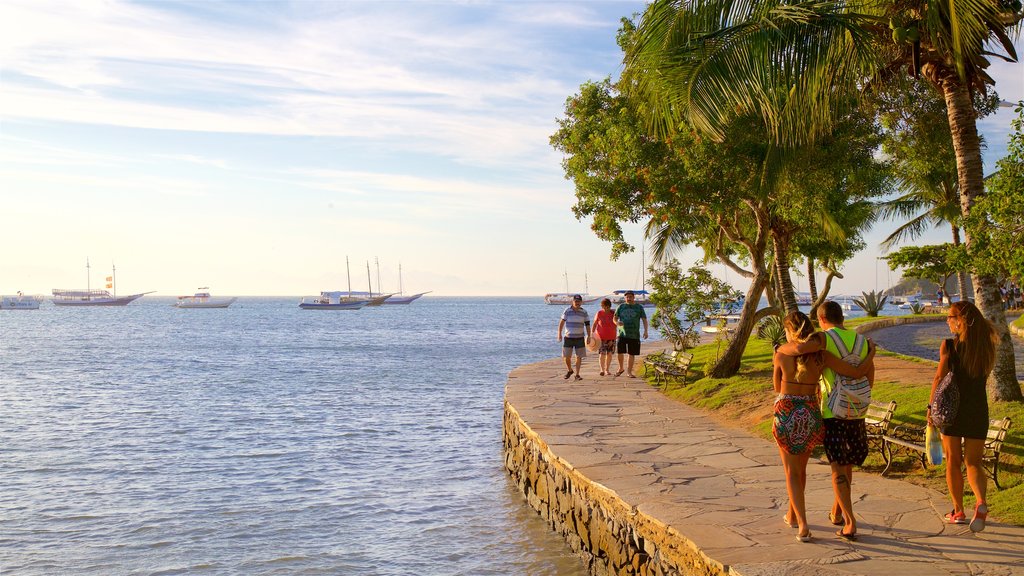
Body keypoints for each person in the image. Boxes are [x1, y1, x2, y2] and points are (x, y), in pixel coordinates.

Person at [777, 301, 876, 541]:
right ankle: (818, 513)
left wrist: (782, 348)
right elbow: (859, 374)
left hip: (807, 411)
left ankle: (813, 524)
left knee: (800, 471)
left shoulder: (796, 349)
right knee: (824, 466)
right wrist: (871, 353)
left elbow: (778, 384)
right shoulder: (840, 350)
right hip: (833, 411)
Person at [929, 301, 999, 532]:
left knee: (953, 461)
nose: (947, 321)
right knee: (974, 463)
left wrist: (931, 408)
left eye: (950, 317)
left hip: (952, 410)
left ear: (961, 319)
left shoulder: (949, 346)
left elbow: (939, 379)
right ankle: (981, 502)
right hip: (978, 409)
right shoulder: (986, 346)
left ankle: (958, 510)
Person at [613, 291, 648, 378]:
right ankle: (621, 368)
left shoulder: (639, 307)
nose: (628, 298)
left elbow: (644, 319)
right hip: (622, 334)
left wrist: (646, 331)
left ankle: (629, 372)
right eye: (627, 297)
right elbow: (614, 318)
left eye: (630, 297)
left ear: (633, 297)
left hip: (634, 334)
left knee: (631, 353)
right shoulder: (621, 307)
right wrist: (617, 323)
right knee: (620, 352)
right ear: (625, 298)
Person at [557, 294, 591, 381]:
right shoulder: (567, 311)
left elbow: (587, 325)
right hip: (568, 337)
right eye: (576, 301)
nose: (577, 303)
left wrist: (589, 336)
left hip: (580, 337)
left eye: (579, 301)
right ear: (572, 301)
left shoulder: (584, 312)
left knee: (578, 357)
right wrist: (559, 333)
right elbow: (562, 322)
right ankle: (570, 370)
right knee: (566, 356)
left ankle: (577, 374)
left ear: (581, 302)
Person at [592, 298, 617, 376]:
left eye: (607, 307)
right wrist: (591, 334)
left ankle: (607, 369)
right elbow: (595, 324)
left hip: (611, 337)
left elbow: (617, 322)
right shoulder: (599, 313)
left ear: (610, 306)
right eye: (604, 307)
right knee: (602, 354)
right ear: (602, 306)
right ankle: (602, 369)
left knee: (609, 354)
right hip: (601, 338)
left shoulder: (613, 313)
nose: (606, 308)